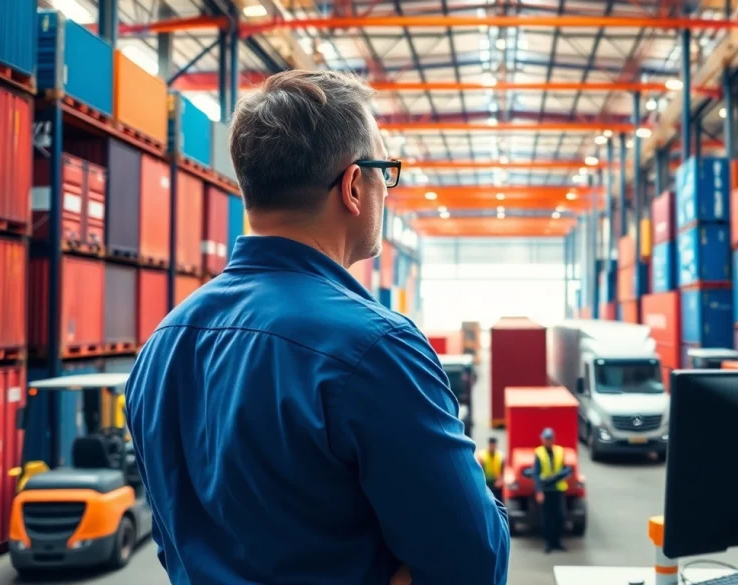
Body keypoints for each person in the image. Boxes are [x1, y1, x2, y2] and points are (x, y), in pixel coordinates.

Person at [124, 70, 510, 585]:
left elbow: (178, 544)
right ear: (353, 186)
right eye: (384, 172)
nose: (385, 190)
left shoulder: (162, 347)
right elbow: (474, 562)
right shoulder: (375, 349)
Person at [533, 427, 572, 554]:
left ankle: (557, 542)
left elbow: (566, 468)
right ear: (542, 440)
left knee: (560, 516)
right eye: (546, 439)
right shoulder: (539, 453)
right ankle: (548, 543)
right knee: (547, 518)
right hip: (546, 490)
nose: (548, 441)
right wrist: (539, 491)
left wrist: (560, 475)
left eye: (550, 439)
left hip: (558, 489)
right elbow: (536, 474)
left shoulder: (560, 451)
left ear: (553, 439)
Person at [477, 437, 504, 501]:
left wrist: (501, 480)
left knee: (498, 501)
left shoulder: (500, 455)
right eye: (492, 445)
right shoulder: (482, 455)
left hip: (497, 482)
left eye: (494, 445)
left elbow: (503, 470)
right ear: (489, 445)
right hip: (486, 482)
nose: (493, 446)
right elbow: (479, 470)